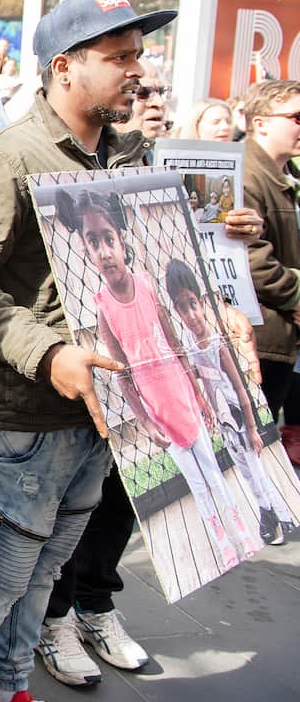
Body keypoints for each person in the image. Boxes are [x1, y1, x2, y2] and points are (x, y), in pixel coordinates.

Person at [0, 0, 173, 702]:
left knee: (43, 574)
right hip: (25, 415)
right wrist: (48, 352)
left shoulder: (126, 157)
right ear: (64, 66)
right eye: (118, 56)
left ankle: (8, 687)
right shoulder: (9, 154)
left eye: (138, 54)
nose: (137, 68)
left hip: (103, 410)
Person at [56, 188, 256, 569]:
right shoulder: (103, 308)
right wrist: (147, 423)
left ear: (122, 240)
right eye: (93, 242)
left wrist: (199, 394)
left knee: (213, 473)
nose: (104, 251)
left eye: (109, 239)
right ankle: (220, 541)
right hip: (158, 409)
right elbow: (123, 377)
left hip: (182, 397)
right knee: (196, 484)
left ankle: (240, 532)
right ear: (84, 248)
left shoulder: (147, 284)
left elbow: (174, 342)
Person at [167, 258, 295, 544]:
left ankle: (275, 514)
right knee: (246, 469)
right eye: (182, 307)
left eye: (192, 304)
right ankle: (274, 513)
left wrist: (251, 427)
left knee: (256, 467)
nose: (191, 315)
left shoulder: (214, 341)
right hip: (222, 418)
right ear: (176, 310)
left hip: (237, 412)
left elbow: (239, 388)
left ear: (201, 302)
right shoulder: (188, 341)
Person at [242, 79, 300, 465]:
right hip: (257, 340)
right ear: (260, 122)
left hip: (278, 338)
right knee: (250, 455)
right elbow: (248, 258)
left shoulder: (282, 174)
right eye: (296, 116)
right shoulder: (245, 174)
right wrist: (297, 295)